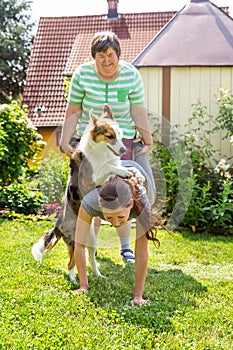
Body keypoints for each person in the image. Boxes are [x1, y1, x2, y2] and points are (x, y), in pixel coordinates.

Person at [60, 31, 156, 263]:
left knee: (130, 192)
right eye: (101, 56)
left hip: (122, 141)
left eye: (111, 55)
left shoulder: (130, 75)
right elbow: (74, 110)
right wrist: (64, 140)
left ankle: (125, 248)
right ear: (93, 57)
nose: (106, 61)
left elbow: (138, 111)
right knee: (88, 195)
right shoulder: (82, 74)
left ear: (118, 55)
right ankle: (90, 248)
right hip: (91, 145)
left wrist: (147, 138)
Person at [74, 161, 159, 306]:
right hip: (114, 173)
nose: (116, 223)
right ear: (100, 206)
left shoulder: (142, 203)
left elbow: (141, 253)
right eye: (109, 218)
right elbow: (80, 244)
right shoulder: (90, 202)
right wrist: (83, 286)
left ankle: (125, 249)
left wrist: (138, 296)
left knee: (151, 198)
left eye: (120, 217)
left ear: (131, 205)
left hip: (137, 176)